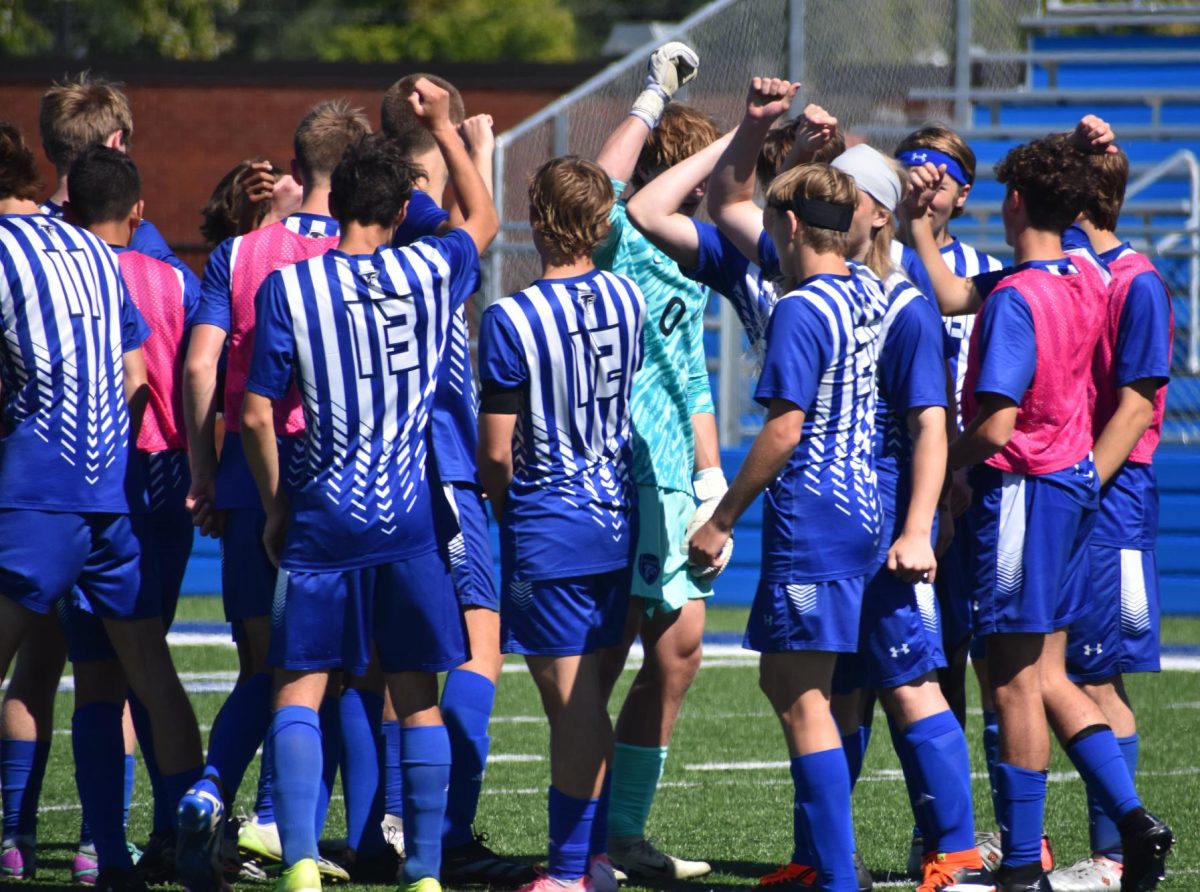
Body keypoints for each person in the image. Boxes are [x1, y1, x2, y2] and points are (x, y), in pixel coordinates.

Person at [243, 77, 498, 892]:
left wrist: (278, 508)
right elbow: (482, 219)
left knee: (299, 689)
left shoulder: (292, 285)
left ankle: (299, 866)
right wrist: (449, 131)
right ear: (398, 214)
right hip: (409, 517)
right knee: (417, 695)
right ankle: (422, 870)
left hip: (323, 510)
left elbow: (254, 416)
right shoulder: (429, 272)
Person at [904, 133, 1174, 892]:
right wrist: (924, 225)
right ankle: (1131, 822)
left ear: (1013, 200)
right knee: (1049, 675)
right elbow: (961, 293)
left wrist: (934, 465)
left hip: (1022, 490)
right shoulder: (1082, 275)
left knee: (1017, 683)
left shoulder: (1020, 295)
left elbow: (994, 427)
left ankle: (1023, 866)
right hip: (1067, 490)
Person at [0, 121, 206, 892]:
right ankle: (175, 843)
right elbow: (133, 375)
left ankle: (62, 843)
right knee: (150, 672)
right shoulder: (96, 252)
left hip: (37, 490)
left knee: (29, 672)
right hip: (112, 494)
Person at [178, 99, 371, 891]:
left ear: (295, 164)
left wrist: (202, 469)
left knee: (265, 666)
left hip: (248, 476)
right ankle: (361, 841)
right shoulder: (381, 252)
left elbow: (198, 368)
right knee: (348, 671)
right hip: (337, 478)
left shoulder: (241, 252)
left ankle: (211, 786)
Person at [689, 123, 888, 888]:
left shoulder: (803, 310)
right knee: (810, 686)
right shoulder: (866, 288)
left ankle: (834, 874)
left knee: (799, 692)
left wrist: (722, 517)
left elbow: (783, 428)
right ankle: (822, 864)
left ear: (793, 225)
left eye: (774, 221)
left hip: (816, 513)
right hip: (861, 504)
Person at [379, 75, 533, 885]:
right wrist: (463, 145)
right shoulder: (426, 233)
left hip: (368, 476)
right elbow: (482, 221)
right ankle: (441, 828)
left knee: (388, 667)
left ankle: (373, 826)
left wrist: (462, 148)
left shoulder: (352, 235)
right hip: (441, 463)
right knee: (480, 650)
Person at [476, 155, 644, 892]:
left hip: (551, 521)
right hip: (616, 513)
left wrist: (499, 504)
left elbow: (495, 451)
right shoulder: (628, 298)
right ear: (601, 223)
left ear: (538, 219)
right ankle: (595, 857)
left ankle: (573, 870)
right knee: (588, 703)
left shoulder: (510, 317)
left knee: (571, 707)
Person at [590, 42, 722, 881]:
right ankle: (586, 840)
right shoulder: (626, 240)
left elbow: (695, 372)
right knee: (601, 657)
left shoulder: (694, 257)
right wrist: (650, 96)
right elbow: (603, 181)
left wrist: (713, 476)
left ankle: (625, 832)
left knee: (676, 654)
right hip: (620, 471)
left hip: (676, 478)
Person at [56, 145, 203, 884]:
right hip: (162, 479)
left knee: (98, 678)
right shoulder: (176, 278)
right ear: (140, 210)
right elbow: (195, 377)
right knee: (150, 663)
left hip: (84, 482)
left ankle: (105, 851)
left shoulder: (61, 277)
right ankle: (176, 833)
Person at [1046, 148, 1174, 892]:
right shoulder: (1076, 274)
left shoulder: (1139, 281)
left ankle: (1116, 857)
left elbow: (1134, 404)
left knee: (1099, 675)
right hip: (1085, 489)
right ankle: (1109, 853)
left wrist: (1083, 481)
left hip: (1112, 496)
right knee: (1084, 669)